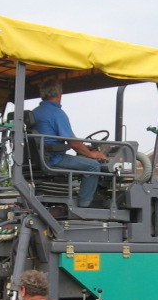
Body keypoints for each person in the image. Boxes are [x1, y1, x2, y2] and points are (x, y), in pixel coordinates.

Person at [31, 80, 108, 208]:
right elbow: (73, 143)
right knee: (94, 166)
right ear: (59, 94)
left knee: (85, 161)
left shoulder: (35, 112)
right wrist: (91, 154)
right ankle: (85, 205)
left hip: (38, 158)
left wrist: (85, 149)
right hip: (53, 159)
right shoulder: (56, 113)